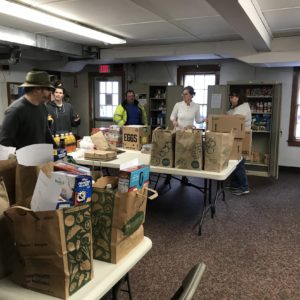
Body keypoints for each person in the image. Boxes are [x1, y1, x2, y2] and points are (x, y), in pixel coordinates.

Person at [0, 71, 55, 149]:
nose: (49, 93)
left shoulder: (42, 107)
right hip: (22, 160)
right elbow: (4, 141)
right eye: (48, 89)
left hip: (40, 158)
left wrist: (57, 148)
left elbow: (45, 131)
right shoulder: (16, 110)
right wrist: (16, 159)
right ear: (38, 89)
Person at [226, 89, 252, 196]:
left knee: (239, 163)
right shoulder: (239, 107)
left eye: (234, 97)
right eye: (231, 97)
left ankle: (244, 187)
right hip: (238, 138)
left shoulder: (242, 109)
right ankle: (235, 184)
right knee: (235, 162)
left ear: (239, 98)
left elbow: (233, 122)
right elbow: (231, 115)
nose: (232, 99)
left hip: (240, 139)